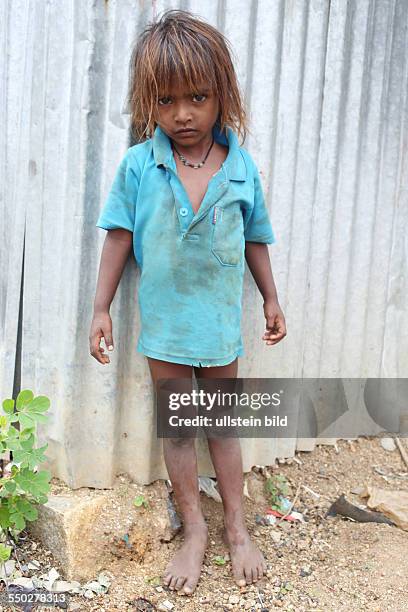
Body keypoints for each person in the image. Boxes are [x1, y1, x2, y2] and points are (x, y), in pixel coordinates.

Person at [89, 8, 286, 597]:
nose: (182, 114)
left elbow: (255, 239)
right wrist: (100, 308)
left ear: (221, 95)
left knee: (222, 426)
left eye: (198, 97)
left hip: (220, 326)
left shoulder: (241, 167)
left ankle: (236, 524)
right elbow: (119, 237)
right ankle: (194, 530)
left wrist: (272, 298)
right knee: (179, 431)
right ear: (150, 102)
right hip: (167, 330)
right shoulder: (139, 165)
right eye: (168, 100)